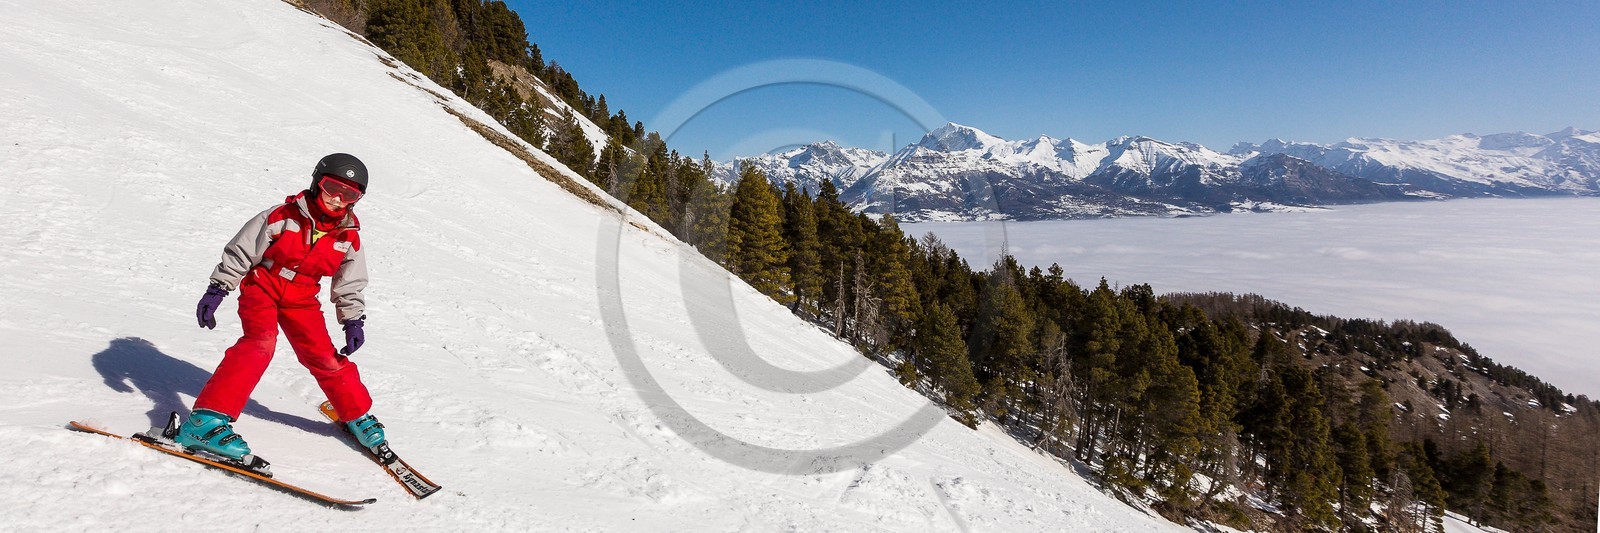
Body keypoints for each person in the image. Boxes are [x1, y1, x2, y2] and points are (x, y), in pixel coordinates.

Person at [184, 153, 385, 460]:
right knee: (259, 344)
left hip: (303, 299)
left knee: (326, 358)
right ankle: (206, 420)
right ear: (318, 183)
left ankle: (355, 413)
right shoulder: (282, 216)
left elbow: (350, 282)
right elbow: (243, 250)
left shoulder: (348, 236)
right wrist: (218, 288)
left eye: (349, 195)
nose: (338, 199)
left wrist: (353, 319)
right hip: (264, 285)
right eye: (333, 188)